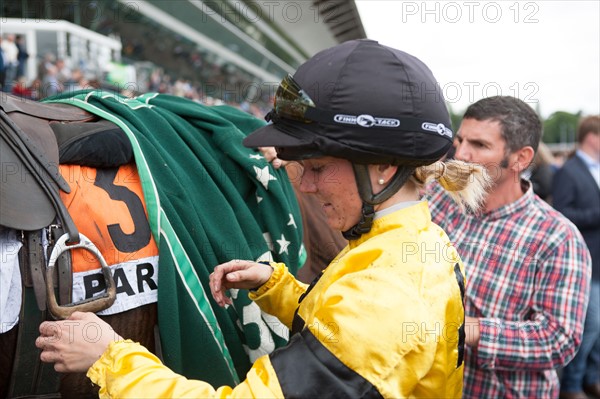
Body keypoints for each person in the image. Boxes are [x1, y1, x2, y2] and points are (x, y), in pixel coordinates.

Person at [36, 39, 490, 398]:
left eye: (316, 168)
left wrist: (110, 357)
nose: (306, 188)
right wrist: (276, 288)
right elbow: (344, 331)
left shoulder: (389, 290)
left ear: (384, 167)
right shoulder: (409, 244)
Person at [426, 96, 592, 398]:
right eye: (460, 140)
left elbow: (558, 340)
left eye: (479, 145)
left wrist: (465, 329)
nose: (460, 153)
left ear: (520, 159)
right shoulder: (436, 199)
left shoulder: (557, 237)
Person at [553, 115, 600, 399]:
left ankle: (591, 378)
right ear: (592, 137)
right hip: (586, 261)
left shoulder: (595, 169)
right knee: (591, 325)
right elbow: (562, 214)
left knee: (599, 328)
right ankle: (571, 385)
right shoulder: (569, 171)